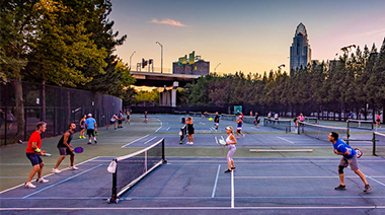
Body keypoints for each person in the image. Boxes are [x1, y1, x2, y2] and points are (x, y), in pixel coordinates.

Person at [24, 122, 49, 189]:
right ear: (40, 128)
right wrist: (40, 152)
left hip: (35, 153)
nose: (45, 128)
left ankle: (39, 178)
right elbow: (33, 146)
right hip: (31, 153)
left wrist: (40, 151)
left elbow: (35, 147)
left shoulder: (38, 134)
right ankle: (28, 183)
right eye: (44, 127)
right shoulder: (35, 135)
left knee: (41, 164)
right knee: (36, 168)